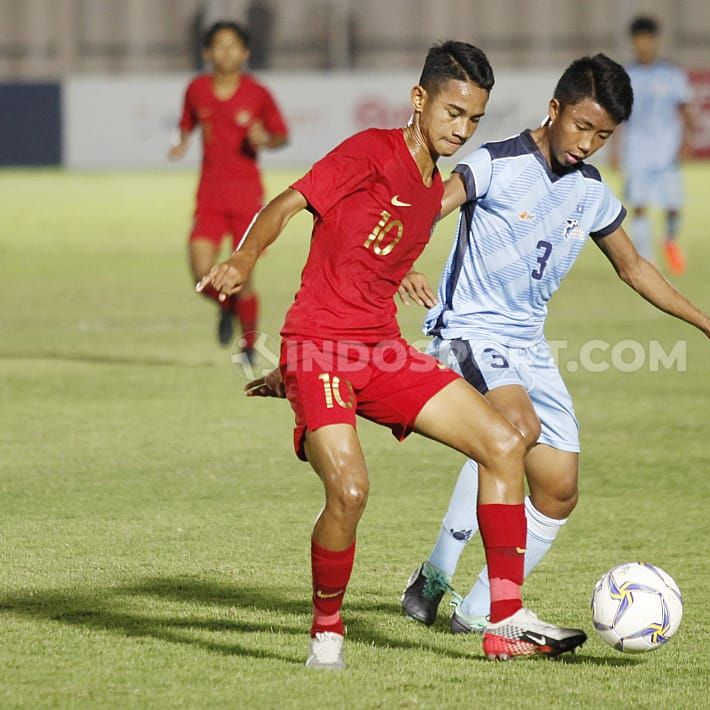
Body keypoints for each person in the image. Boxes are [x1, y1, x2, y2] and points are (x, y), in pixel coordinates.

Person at [198, 41, 587, 670]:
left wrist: (292, 372)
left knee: (505, 442)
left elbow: (369, 266)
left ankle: (505, 620)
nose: (461, 130)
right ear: (419, 100)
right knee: (350, 491)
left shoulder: (435, 191)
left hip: (380, 352)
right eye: (452, 112)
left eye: (473, 120)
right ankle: (328, 628)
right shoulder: (370, 151)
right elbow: (289, 203)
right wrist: (244, 259)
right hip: (321, 348)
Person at [394, 54, 710, 633]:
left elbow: (635, 266)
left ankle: (478, 607)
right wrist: (401, 264)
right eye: (581, 126)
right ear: (554, 109)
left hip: (527, 347)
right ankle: (439, 577)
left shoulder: (591, 193)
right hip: (469, 330)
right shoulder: (496, 163)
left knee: (560, 488)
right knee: (516, 432)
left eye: (604, 135)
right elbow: (427, 211)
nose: (588, 143)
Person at [171, 21, 288, 356]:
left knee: (242, 274)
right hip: (209, 194)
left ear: (245, 52)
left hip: (246, 195)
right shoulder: (196, 89)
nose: (226, 51)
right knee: (200, 270)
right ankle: (229, 307)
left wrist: (265, 139)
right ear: (207, 52)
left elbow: (280, 135)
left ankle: (249, 345)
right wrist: (178, 142)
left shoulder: (258, 93)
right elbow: (185, 123)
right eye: (218, 45)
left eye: (233, 44)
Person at [618, 16, 694, 275]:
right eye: (639, 40)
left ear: (656, 41)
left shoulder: (671, 73)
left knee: (673, 207)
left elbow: (685, 109)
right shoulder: (626, 75)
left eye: (648, 39)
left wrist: (686, 141)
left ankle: (670, 240)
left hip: (667, 150)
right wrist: (616, 150)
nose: (644, 45)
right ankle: (647, 257)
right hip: (637, 150)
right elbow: (619, 115)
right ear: (633, 42)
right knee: (639, 205)